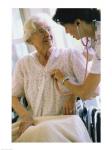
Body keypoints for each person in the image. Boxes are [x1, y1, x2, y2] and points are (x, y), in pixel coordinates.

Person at [12, 14, 91, 142]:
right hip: (36, 121)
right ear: (29, 40)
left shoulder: (70, 55)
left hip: (66, 121)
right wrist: (26, 116)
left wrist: (73, 95)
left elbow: (91, 88)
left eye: (48, 29)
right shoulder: (23, 64)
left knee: (45, 134)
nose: (47, 34)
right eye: (41, 31)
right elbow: (13, 96)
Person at [52, 8, 101, 100]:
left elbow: (85, 93)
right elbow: (89, 55)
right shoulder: (93, 34)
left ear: (78, 22)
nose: (66, 32)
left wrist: (62, 79)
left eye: (66, 27)